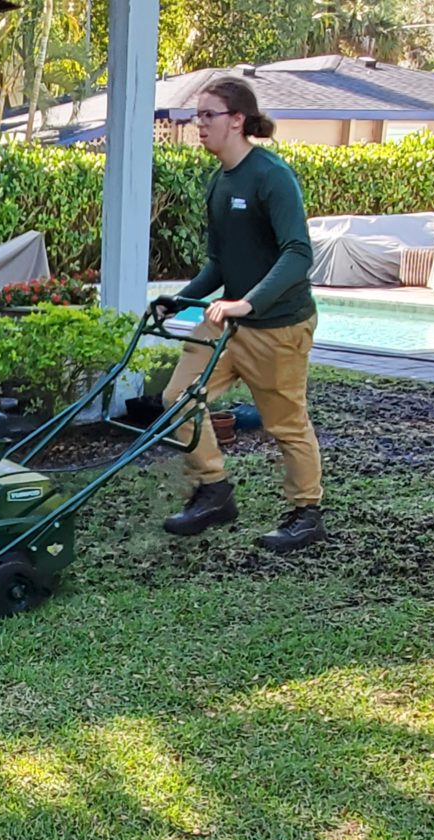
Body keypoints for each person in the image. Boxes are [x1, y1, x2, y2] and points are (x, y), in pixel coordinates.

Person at [149, 76, 327, 553]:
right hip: (227, 321)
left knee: (285, 422)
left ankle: (306, 513)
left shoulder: (271, 177)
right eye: (196, 115)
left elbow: (296, 254)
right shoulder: (219, 182)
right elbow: (220, 263)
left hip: (277, 324)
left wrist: (250, 302)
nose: (197, 124)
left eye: (207, 115)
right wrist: (181, 298)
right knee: (178, 398)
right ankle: (214, 491)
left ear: (237, 120)